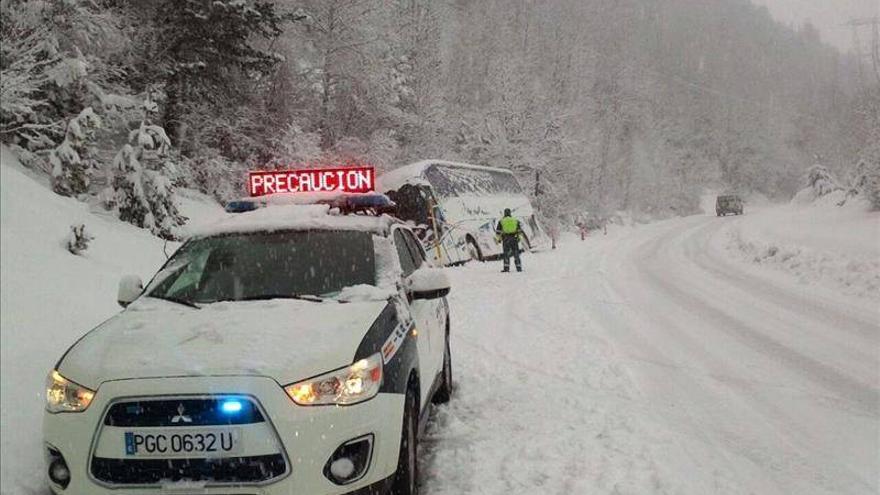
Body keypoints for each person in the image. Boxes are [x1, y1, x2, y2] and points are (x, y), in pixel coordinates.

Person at [495, 208, 523, 272]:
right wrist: (519, 238)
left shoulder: (501, 221)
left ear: (504, 213)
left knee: (506, 254)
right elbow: (520, 231)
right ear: (510, 213)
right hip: (514, 238)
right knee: (516, 253)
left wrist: (499, 239)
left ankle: (506, 268)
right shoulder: (515, 220)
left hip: (506, 239)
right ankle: (519, 267)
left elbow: (498, 232)